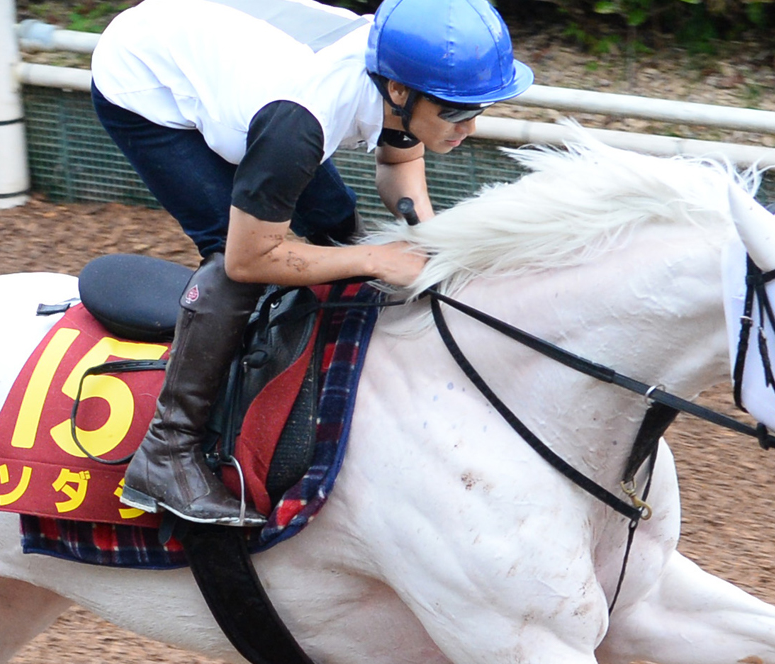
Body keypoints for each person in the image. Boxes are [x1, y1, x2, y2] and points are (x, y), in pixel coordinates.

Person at [91, 0, 533, 525]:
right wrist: (375, 258)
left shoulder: (403, 70)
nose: (472, 127)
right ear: (398, 91)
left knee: (336, 221)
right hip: (146, 82)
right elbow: (251, 258)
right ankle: (166, 453)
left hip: (251, 81)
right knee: (231, 260)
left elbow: (400, 161)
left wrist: (430, 244)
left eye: (479, 109)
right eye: (457, 112)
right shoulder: (301, 121)